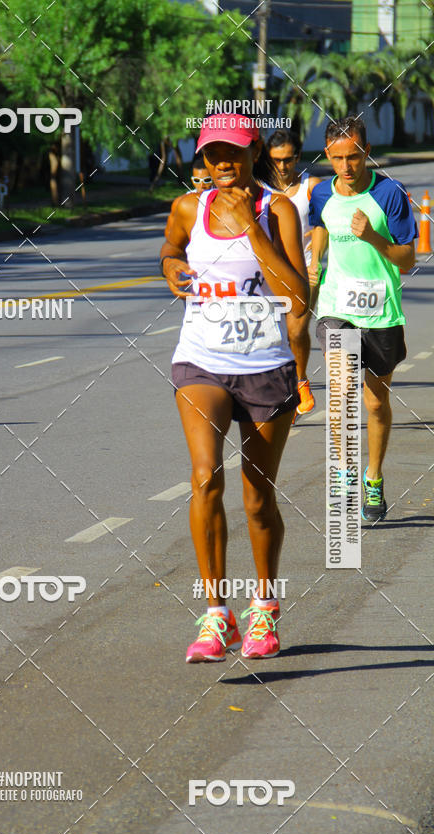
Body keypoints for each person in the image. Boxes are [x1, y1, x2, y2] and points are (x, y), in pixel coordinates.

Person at [160, 114, 309, 662]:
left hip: (266, 365)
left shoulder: (279, 210)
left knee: (257, 496)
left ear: (254, 152)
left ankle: (264, 608)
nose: (222, 162)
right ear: (202, 158)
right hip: (201, 361)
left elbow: (298, 298)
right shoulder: (187, 208)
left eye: (234, 151)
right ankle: (215, 615)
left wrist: (252, 229)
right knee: (205, 476)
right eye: (212, 153)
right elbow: (171, 248)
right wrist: (170, 266)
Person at [309, 116, 417, 520]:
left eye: (353, 157)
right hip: (337, 307)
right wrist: (314, 264)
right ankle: (344, 473)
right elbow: (320, 225)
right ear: (327, 155)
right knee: (340, 393)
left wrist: (372, 236)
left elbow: (407, 259)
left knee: (374, 402)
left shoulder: (389, 194)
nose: (346, 166)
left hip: (381, 312)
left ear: (367, 152)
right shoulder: (321, 193)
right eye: (337, 158)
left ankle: (373, 478)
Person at [267, 130, 321, 418]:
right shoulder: (261, 189)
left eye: (288, 159)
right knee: (275, 335)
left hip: (306, 270)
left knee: (296, 331)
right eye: (276, 160)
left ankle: (300, 382)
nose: (282, 166)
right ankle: (283, 390)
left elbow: (325, 223)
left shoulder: (311, 187)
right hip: (272, 273)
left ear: (298, 157)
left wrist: (317, 260)